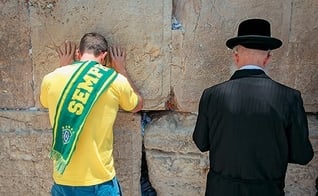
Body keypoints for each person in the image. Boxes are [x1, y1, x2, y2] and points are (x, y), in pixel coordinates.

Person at [192, 18, 314, 196]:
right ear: (268, 58)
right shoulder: (290, 98)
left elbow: (201, 142)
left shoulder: (212, 95)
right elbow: (302, 155)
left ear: (236, 56)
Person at [40, 32, 143, 196]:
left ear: (78, 54)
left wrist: (62, 66)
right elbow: (137, 104)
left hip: (63, 181)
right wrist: (121, 69)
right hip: (99, 183)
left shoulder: (51, 79)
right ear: (105, 57)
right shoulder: (115, 80)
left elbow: (45, 102)